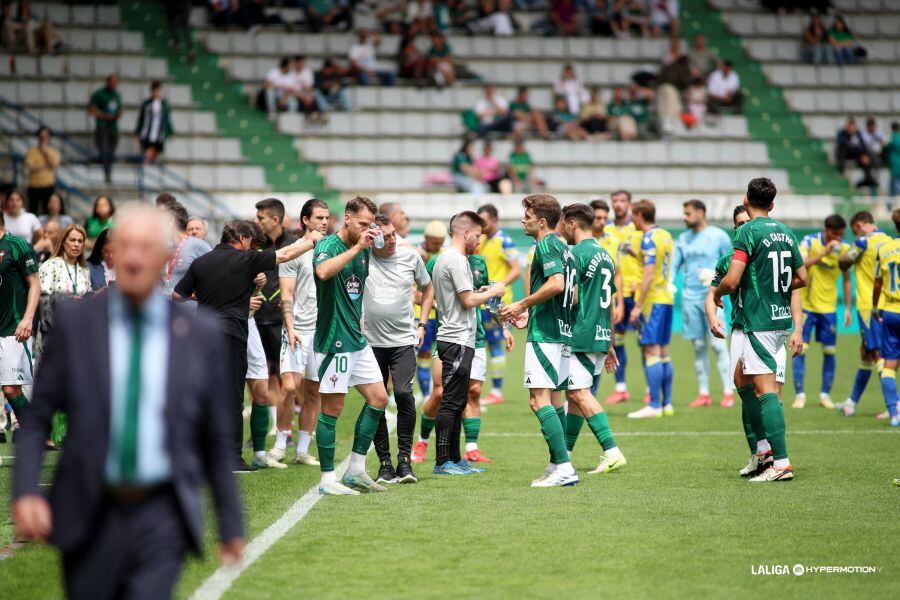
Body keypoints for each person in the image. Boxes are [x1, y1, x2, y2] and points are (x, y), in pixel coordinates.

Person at [12, 204, 245, 598]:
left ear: (167, 258)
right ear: (113, 253)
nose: (135, 258)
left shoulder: (198, 334)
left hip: (162, 516)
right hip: (88, 512)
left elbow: (214, 435)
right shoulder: (77, 323)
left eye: (147, 247)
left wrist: (230, 522)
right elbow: (36, 421)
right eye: (127, 247)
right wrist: (25, 492)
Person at [174, 219, 319, 472]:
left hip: (203, 335)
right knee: (232, 397)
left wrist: (205, 296)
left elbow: (178, 295)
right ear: (241, 238)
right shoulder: (246, 259)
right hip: (230, 335)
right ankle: (231, 457)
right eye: (250, 241)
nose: (252, 246)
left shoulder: (202, 262)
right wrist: (312, 241)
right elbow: (284, 254)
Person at [714, 177, 807, 481]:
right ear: (773, 204)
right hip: (780, 319)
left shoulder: (748, 232)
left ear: (746, 199)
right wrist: (775, 289)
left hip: (759, 320)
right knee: (741, 377)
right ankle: (765, 449)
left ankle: (780, 463)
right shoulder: (786, 232)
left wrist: (717, 294)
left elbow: (731, 279)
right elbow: (802, 277)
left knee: (764, 389)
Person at [309, 196, 395, 494]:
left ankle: (356, 470)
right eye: (361, 224)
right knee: (333, 408)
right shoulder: (329, 246)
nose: (366, 230)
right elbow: (323, 273)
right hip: (334, 341)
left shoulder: (365, 250)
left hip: (357, 341)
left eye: (370, 225)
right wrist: (358, 246)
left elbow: (355, 292)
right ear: (347, 218)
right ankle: (327, 479)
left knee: (379, 398)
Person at [498, 194, 576, 487]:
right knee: (555, 399)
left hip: (547, 335)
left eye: (528, 215)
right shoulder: (565, 249)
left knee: (537, 400)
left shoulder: (545, 245)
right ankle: (558, 463)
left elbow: (556, 285)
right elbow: (573, 294)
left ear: (542, 222)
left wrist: (522, 305)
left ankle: (565, 467)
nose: (523, 220)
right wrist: (533, 312)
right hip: (562, 331)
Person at [431, 211, 504, 476]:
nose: (478, 241)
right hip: (457, 338)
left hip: (457, 338)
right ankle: (442, 461)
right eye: (477, 235)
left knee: (458, 400)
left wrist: (481, 293)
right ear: (465, 233)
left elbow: (464, 296)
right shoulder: (457, 260)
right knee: (451, 401)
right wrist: (494, 291)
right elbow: (467, 301)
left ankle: (455, 458)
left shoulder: (444, 259)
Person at [364, 214, 434, 483]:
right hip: (370, 343)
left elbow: (428, 289)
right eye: (387, 236)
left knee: (404, 394)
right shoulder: (361, 257)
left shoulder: (410, 257)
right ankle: (384, 463)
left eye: (394, 233)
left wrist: (422, 324)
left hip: (404, 341)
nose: (393, 239)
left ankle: (405, 460)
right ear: (373, 237)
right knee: (377, 400)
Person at [558, 203, 627, 474]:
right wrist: (609, 342)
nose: (562, 228)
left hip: (581, 333)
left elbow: (573, 297)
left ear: (573, 224)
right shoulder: (606, 254)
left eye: (564, 223)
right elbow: (608, 302)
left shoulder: (575, 254)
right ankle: (565, 454)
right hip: (599, 332)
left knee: (578, 393)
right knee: (575, 398)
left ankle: (611, 451)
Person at [277, 199, 330, 467]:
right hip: (297, 328)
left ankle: (302, 449)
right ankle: (278, 444)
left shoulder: (331, 250)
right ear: (305, 220)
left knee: (314, 391)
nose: (324, 222)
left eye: (326, 217)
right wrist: (290, 327)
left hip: (321, 332)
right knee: (289, 387)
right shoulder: (293, 251)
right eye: (318, 217)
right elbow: (286, 293)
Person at [672, 199, 733, 408]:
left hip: (714, 299)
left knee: (718, 345)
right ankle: (704, 393)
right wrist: (670, 284)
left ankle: (727, 391)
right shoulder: (683, 239)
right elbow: (674, 266)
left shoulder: (719, 236)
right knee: (698, 347)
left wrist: (716, 275)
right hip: (690, 299)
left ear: (701, 212)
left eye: (688, 213)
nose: (684, 217)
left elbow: (733, 262)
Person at [792, 214, 851, 410]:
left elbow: (847, 278)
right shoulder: (810, 241)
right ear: (826, 230)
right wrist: (823, 253)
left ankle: (825, 395)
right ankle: (800, 395)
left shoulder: (844, 249)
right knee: (800, 350)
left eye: (841, 235)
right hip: (807, 306)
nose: (838, 238)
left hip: (829, 308)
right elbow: (799, 265)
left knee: (829, 351)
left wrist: (849, 308)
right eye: (835, 234)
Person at [836, 211, 892, 417]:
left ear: (859, 225)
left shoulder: (861, 243)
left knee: (877, 353)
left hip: (868, 306)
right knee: (865, 353)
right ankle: (851, 402)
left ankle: (893, 404)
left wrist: (841, 252)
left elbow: (843, 262)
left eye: (854, 230)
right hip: (887, 304)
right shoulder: (889, 240)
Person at [626, 200, 675, 419]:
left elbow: (647, 273)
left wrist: (637, 306)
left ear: (639, 215)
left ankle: (653, 405)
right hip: (666, 297)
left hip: (652, 301)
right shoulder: (665, 235)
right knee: (664, 353)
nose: (631, 220)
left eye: (632, 216)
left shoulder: (647, 238)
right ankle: (667, 404)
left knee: (651, 352)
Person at [254, 199, 296, 443]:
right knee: (265, 374)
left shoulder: (293, 245)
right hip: (259, 317)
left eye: (261, 218)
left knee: (287, 377)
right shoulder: (256, 246)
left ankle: (286, 429)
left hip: (283, 320)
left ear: (275, 220)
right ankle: (272, 425)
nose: (258, 223)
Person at [0, 209, 39, 442]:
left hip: (12, 328)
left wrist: (27, 318)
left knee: (11, 389)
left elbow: (35, 283)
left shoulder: (17, 244)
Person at [476, 203, 521, 405]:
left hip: (499, 301)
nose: (481, 225)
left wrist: (499, 286)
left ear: (494, 220)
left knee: (495, 343)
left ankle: (496, 390)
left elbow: (516, 269)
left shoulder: (504, 241)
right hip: (483, 299)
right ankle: (486, 389)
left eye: (484, 221)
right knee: (484, 343)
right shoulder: (482, 240)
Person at [604, 190, 645, 404]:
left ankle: (650, 389)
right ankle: (621, 388)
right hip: (616, 294)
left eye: (622, 201)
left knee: (645, 343)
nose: (618, 205)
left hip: (636, 293)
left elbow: (648, 259)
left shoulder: (638, 228)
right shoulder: (606, 230)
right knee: (616, 341)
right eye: (615, 201)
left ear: (629, 204)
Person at [36, 224, 90, 355]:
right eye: (72, 240)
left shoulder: (84, 271)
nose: (76, 244)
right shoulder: (50, 265)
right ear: (63, 242)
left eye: (80, 241)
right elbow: (43, 299)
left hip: (78, 333)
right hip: (53, 331)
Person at [412, 220, 446, 404]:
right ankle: (426, 395)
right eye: (435, 241)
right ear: (426, 238)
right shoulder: (415, 255)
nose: (439, 245)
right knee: (424, 355)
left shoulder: (445, 255)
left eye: (441, 241)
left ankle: (438, 391)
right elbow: (413, 291)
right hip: (421, 314)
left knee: (441, 355)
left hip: (442, 316)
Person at [872, 208, 900, 427]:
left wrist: (875, 307)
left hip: (890, 310)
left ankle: (894, 413)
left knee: (889, 364)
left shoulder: (885, 249)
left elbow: (878, 283)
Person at [158, 195, 211, 298]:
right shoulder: (163, 247)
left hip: (188, 310)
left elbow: (217, 273)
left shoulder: (198, 245)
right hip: (164, 309)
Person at [88, 75, 122, 183]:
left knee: (112, 150)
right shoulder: (99, 94)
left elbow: (119, 109)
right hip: (102, 126)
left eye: (116, 83)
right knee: (104, 149)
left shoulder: (117, 95)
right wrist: (106, 116)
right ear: (107, 82)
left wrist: (118, 114)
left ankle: (105, 163)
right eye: (112, 83)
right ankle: (107, 172)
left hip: (113, 127)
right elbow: (92, 110)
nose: (114, 85)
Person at [135, 81, 174, 165]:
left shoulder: (164, 104)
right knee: (148, 152)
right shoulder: (147, 104)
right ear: (152, 91)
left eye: (158, 91)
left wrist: (170, 132)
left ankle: (155, 172)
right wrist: (138, 131)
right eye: (155, 91)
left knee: (157, 154)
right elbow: (141, 118)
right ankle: (144, 170)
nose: (157, 93)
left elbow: (167, 119)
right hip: (147, 134)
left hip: (159, 134)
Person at [25, 126, 60, 215]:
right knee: (33, 210)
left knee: (48, 210)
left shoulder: (53, 151)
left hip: (48, 185)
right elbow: (31, 167)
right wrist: (46, 165)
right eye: (41, 137)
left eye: (46, 136)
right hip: (34, 185)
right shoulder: (31, 151)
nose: (44, 139)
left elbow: (54, 164)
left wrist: (45, 153)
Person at [886, 122, 900, 203]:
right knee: (892, 186)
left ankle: (896, 205)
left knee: (896, 186)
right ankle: (889, 205)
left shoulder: (891, 138)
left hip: (895, 166)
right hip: (896, 166)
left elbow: (884, 147)